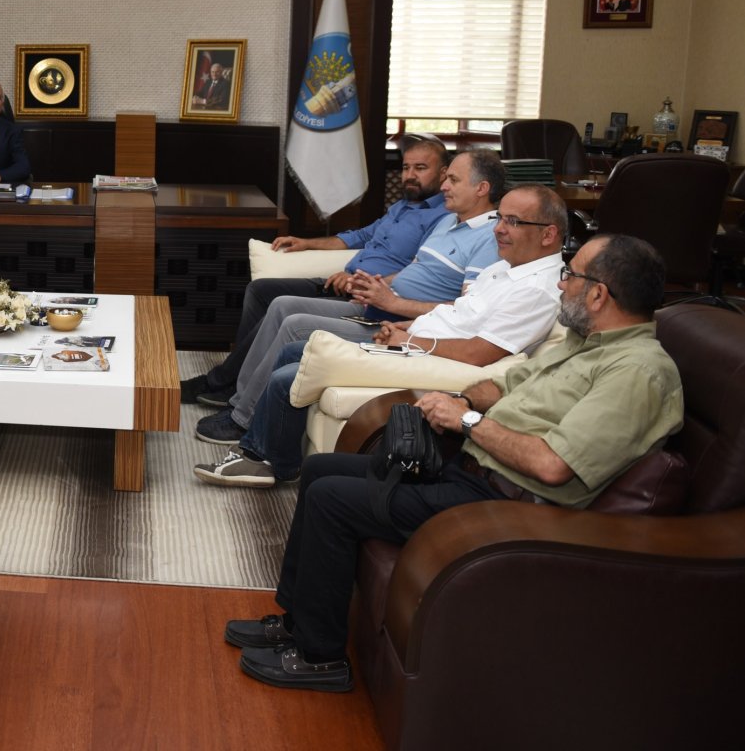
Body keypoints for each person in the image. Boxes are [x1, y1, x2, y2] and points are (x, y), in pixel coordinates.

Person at [224, 234, 682, 692]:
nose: (561, 284)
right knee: (322, 470)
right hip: (473, 470)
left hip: (508, 507)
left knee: (332, 499)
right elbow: (503, 385)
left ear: (598, 294)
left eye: (570, 275)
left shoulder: (636, 371)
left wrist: (466, 421)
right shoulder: (585, 343)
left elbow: (553, 465)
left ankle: (319, 658)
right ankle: (297, 621)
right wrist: (460, 399)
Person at [195, 185, 568, 487]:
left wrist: (408, 341)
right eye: (500, 218)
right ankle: (277, 459)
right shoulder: (505, 269)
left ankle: (261, 458)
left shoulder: (537, 289)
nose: (499, 229)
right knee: (294, 349)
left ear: (548, 234)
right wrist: (406, 326)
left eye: (512, 221)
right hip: (414, 341)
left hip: (433, 361)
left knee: (289, 374)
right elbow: (456, 314)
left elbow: (478, 353)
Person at [196, 149, 505, 446]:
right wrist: (375, 285)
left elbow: (466, 311)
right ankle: (238, 401)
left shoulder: (489, 238)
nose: (444, 186)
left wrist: (393, 303)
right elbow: (412, 272)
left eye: (453, 180)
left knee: (293, 324)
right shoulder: (447, 221)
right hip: (378, 305)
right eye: (446, 178)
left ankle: (242, 420)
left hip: (400, 326)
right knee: (281, 304)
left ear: (481, 188)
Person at [181, 134, 451, 404]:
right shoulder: (402, 207)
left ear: (443, 173)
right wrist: (307, 242)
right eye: (406, 167)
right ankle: (232, 378)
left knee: (279, 310)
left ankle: (223, 382)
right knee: (260, 290)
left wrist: (362, 281)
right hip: (339, 282)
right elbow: (360, 236)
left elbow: (417, 272)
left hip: (364, 294)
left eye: (420, 168)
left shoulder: (443, 218)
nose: (409, 175)